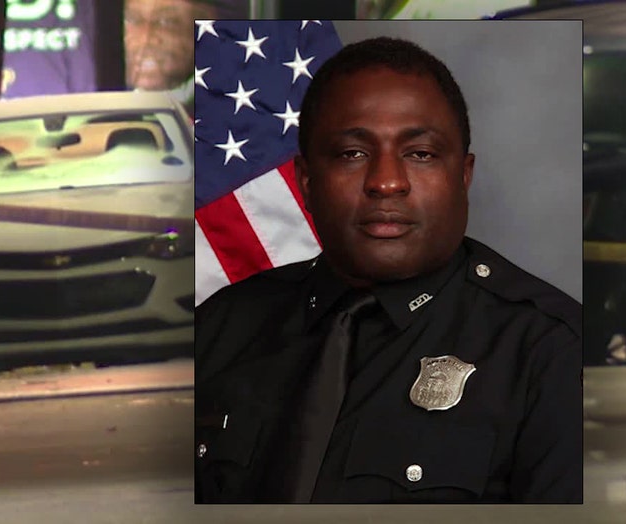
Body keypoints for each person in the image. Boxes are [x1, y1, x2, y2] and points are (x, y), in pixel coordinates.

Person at [195, 36, 582, 503]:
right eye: (351, 153)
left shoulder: (549, 351)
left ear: (463, 176)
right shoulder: (220, 328)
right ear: (306, 182)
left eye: (420, 153)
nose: (386, 181)